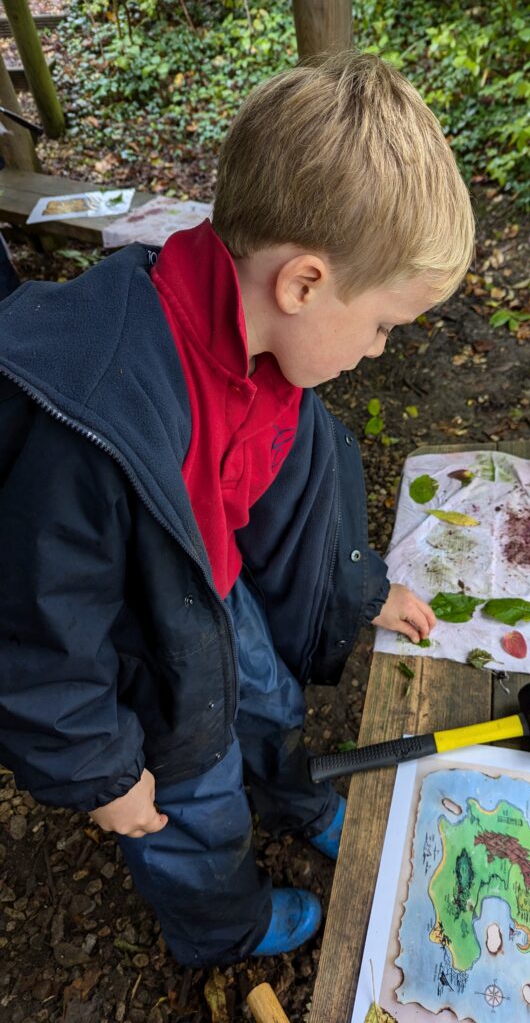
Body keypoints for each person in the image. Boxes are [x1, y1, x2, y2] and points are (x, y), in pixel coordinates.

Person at [0, 52, 475, 967]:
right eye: (384, 325)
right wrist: (100, 771)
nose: (378, 350)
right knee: (194, 810)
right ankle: (228, 923)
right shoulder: (87, 420)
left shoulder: (272, 351)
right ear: (301, 282)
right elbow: (34, 626)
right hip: (144, 660)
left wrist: (357, 589)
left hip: (212, 599)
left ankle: (296, 799)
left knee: (269, 703)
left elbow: (296, 497)